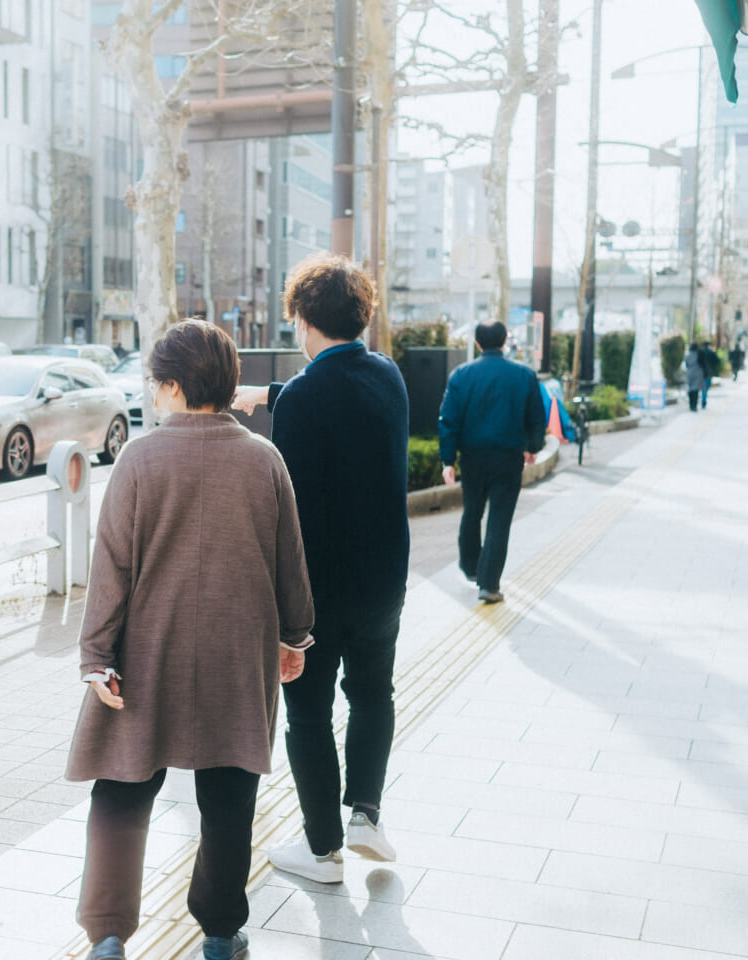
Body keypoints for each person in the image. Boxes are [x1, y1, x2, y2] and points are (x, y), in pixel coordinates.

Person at [67, 319, 315, 960]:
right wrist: (294, 637)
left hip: (146, 654)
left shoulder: (139, 459)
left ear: (174, 386)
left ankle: (108, 933)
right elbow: (290, 563)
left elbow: (111, 567)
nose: (153, 394)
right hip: (239, 653)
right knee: (229, 796)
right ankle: (221, 932)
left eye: (156, 383)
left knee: (122, 787)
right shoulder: (264, 460)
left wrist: (97, 656)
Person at [231, 253, 410, 884]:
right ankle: (365, 815)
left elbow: (289, 506)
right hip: (383, 582)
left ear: (303, 320)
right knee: (372, 694)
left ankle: (322, 849)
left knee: (308, 712)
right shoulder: (389, 377)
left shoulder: (305, 396)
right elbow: (342, 400)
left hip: (318, 590)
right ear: (362, 316)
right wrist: (270, 394)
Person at [437, 321, 547, 604]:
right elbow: (537, 415)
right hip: (508, 457)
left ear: (477, 343)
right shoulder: (524, 374)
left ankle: (471, 566)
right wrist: (533, 447)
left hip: (472, 457)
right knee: (500, 517)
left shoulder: (461, 375)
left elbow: (448, 420)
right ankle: (489, 583)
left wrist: (448, 459)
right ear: (505, 340)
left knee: (472, 511)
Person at [684, 342, 706, 412]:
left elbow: (686, 364)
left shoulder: (688, 355)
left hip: (690, 373)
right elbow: (703, 363)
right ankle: (694, 406)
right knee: (696, 390)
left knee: (690, 389)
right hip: (698, 373)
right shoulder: (699, 354)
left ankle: (691, 405)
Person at [699, 341, 720, 409]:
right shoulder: (711, 352)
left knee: (704, 387)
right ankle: (704, 400)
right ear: (708, 346)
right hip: (709, 372)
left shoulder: (700, 352)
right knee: (706, 387)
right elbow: (717, 361)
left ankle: (703, 399)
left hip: (701, 372)